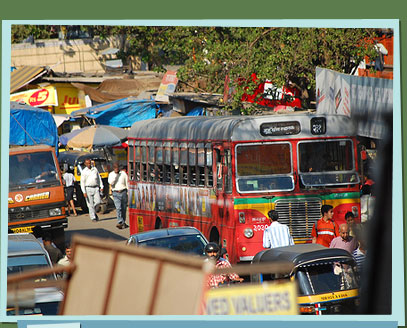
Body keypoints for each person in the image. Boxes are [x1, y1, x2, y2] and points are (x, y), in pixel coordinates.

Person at [108, 162, 129, 229]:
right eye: (115, 168)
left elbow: (127, 183)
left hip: (123, 192)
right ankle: (120, 221)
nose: (116, 169)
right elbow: (111, 182)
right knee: (118, 208)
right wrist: (116, 175)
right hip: (116, 193)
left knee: (123, 208)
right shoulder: (111, 174)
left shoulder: (123, 174)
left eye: (117, 167)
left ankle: (123, 221)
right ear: (113, 168)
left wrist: (128, 192)